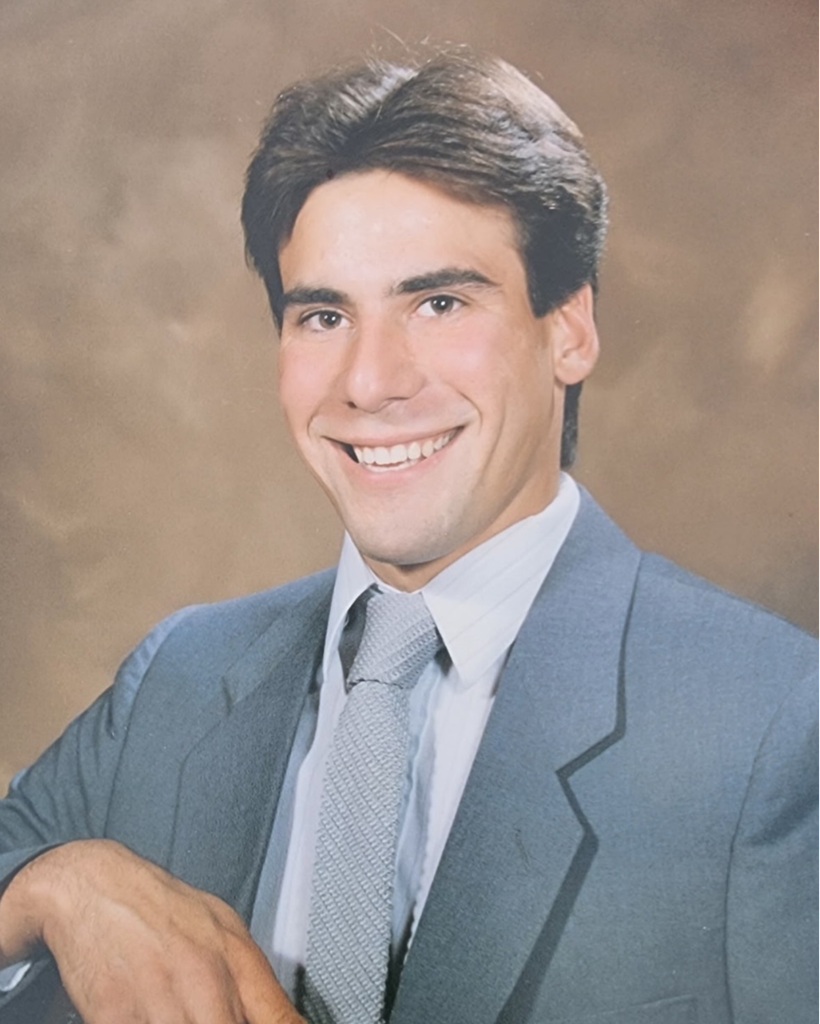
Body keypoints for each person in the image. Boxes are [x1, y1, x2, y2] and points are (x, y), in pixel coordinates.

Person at [0, 48, 817, 1024]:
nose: (370, 380)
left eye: (438, 302)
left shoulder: (773, 724)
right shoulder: (179, 676)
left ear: (569, 330)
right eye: (323, 315)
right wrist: (60, 883)